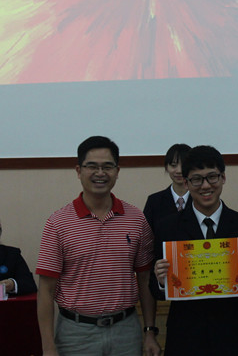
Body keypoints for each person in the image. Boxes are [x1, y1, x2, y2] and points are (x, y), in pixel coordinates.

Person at [35, 136, 160, 356]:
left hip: (126, 331)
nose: (100, 173)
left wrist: (149, 331)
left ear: (117, 171)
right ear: (78, 170)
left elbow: (144, 278)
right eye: (92, 166)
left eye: (107, 166)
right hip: (76, 334)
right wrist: (48, 347)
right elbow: (46, 290)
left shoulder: (136, 219)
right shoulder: (58, 223)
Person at [152, 145, 238, 356]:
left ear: (223, 178)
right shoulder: (167, 228)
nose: (206, 186)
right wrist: (161, 280)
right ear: (186, 183)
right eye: (197, 179)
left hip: (232, 337)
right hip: (185, 338)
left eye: (212, 177)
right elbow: (154, 289)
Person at [143, 143, 192, 232]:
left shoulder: (201, 199)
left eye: (184, 165)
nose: (179, 171)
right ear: (166, 167)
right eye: (173, 165)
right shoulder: (154, 201)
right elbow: (146, 235)